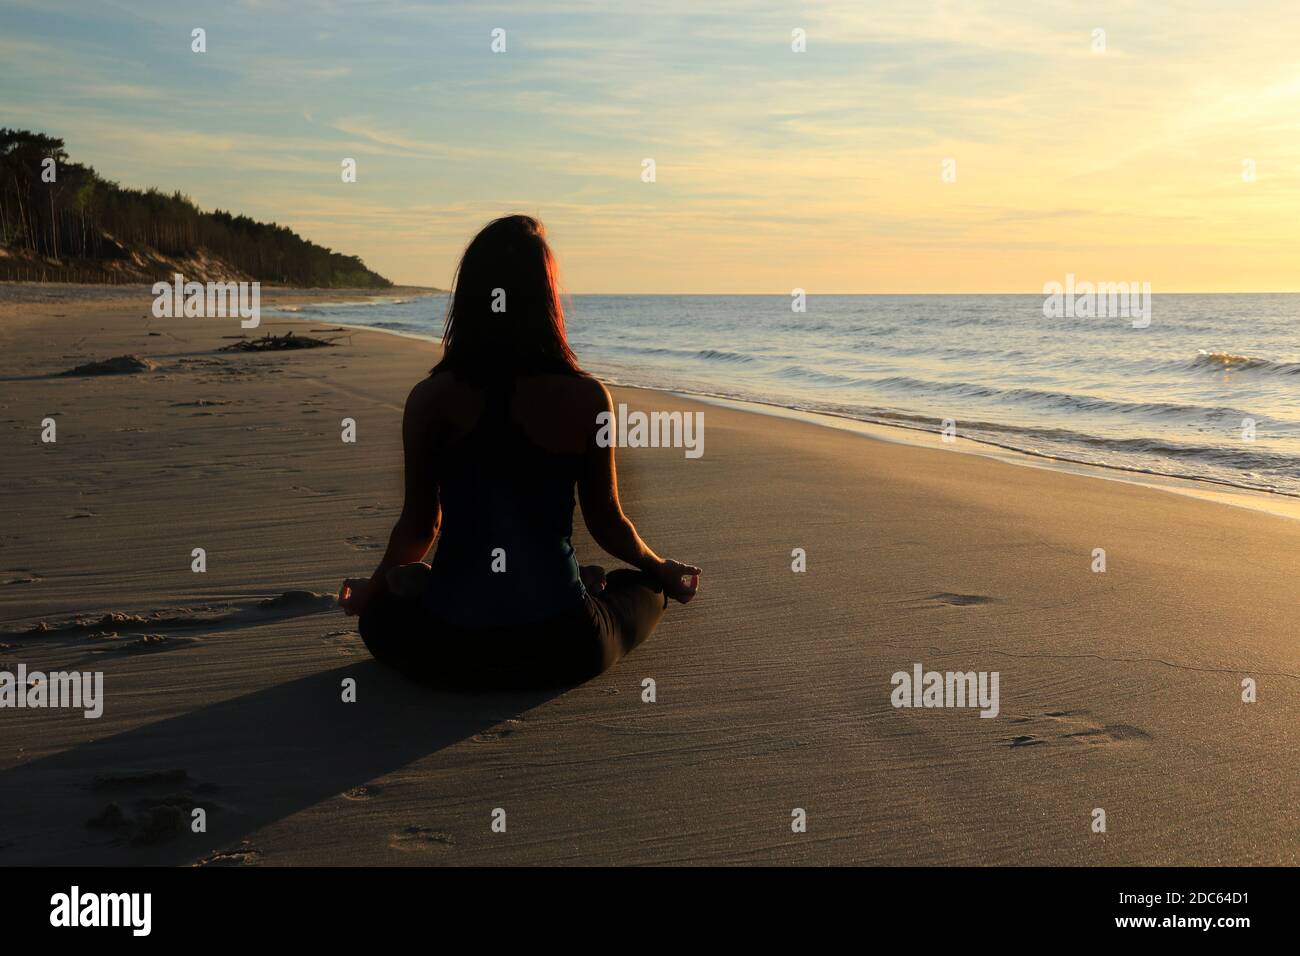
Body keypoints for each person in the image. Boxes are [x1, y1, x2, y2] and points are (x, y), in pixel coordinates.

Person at [339, 215, 701, 689]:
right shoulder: (587, 398)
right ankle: (569, 579)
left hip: (450, 649)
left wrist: (371, 591)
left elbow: (420, 524)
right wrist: (661, 569)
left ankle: (438, 584)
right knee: (646, 590)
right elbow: (606, 521)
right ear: (546, 296)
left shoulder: (430, 399)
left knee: (379, 615)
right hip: (564, 646)